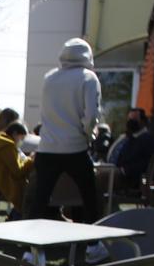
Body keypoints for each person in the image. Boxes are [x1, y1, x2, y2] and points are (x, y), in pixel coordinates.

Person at [29, 38, 102, 220]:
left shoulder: (50, 77)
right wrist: (89, 134)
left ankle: (30, 247)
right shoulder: (88, 77)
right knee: (90, 197)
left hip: (47, 147)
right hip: (75, 146)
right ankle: (93, 242)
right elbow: (92, 115)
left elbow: (45, 112)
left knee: (39, 200)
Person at [106, 109, 154, 195]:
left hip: (131, 180)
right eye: (129, 120)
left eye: (134, 120)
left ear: (143, 121)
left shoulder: (148, 140)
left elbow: (147, 162)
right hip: (120, 173)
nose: (130, 122)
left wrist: (125, 170)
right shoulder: (131, 138)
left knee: (99, 178)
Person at [0, 119, 31, 215]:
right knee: (33, 190)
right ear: (14, 134)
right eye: (21, 138)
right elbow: (17, 171)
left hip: (1, 182)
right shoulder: (7, 146)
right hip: (8, 184)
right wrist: (31, 160)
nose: (21, 141)